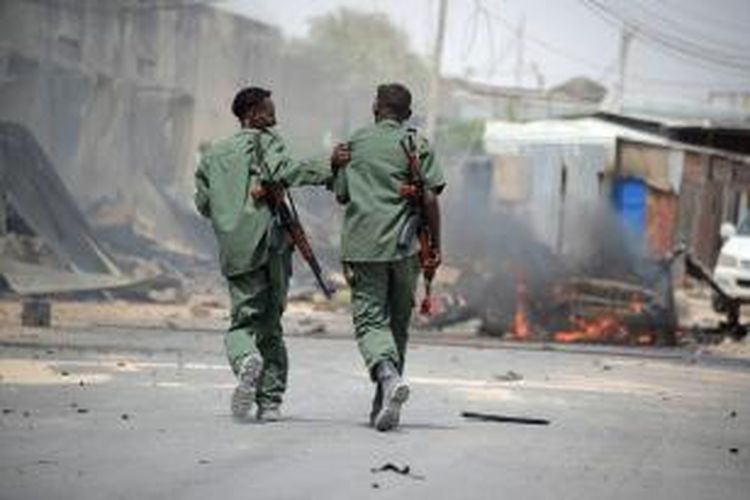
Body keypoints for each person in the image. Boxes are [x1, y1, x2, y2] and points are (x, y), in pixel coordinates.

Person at [195, 86, 349, 422]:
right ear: (250, 114)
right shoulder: (267, 142)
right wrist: (329, 165)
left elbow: (204, 205)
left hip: (237, 251)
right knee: (270, 324)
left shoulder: (212, 156)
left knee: (242, 322)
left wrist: (234, 211)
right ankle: (270, 402)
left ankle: (246, 360)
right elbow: (285, 171)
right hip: (272, 245)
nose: (273, 113)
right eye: (266, 109)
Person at [333, 83, 445, 431]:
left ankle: (386, 375)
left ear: (375, 107)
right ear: (408, 114)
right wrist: (436, 249)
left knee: (370, 321)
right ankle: (383, 404)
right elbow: (430, 198)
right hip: (406, 249)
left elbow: (341, 194)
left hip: (365, 247)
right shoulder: (416, 144)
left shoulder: (355, 143)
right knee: (397, 326)